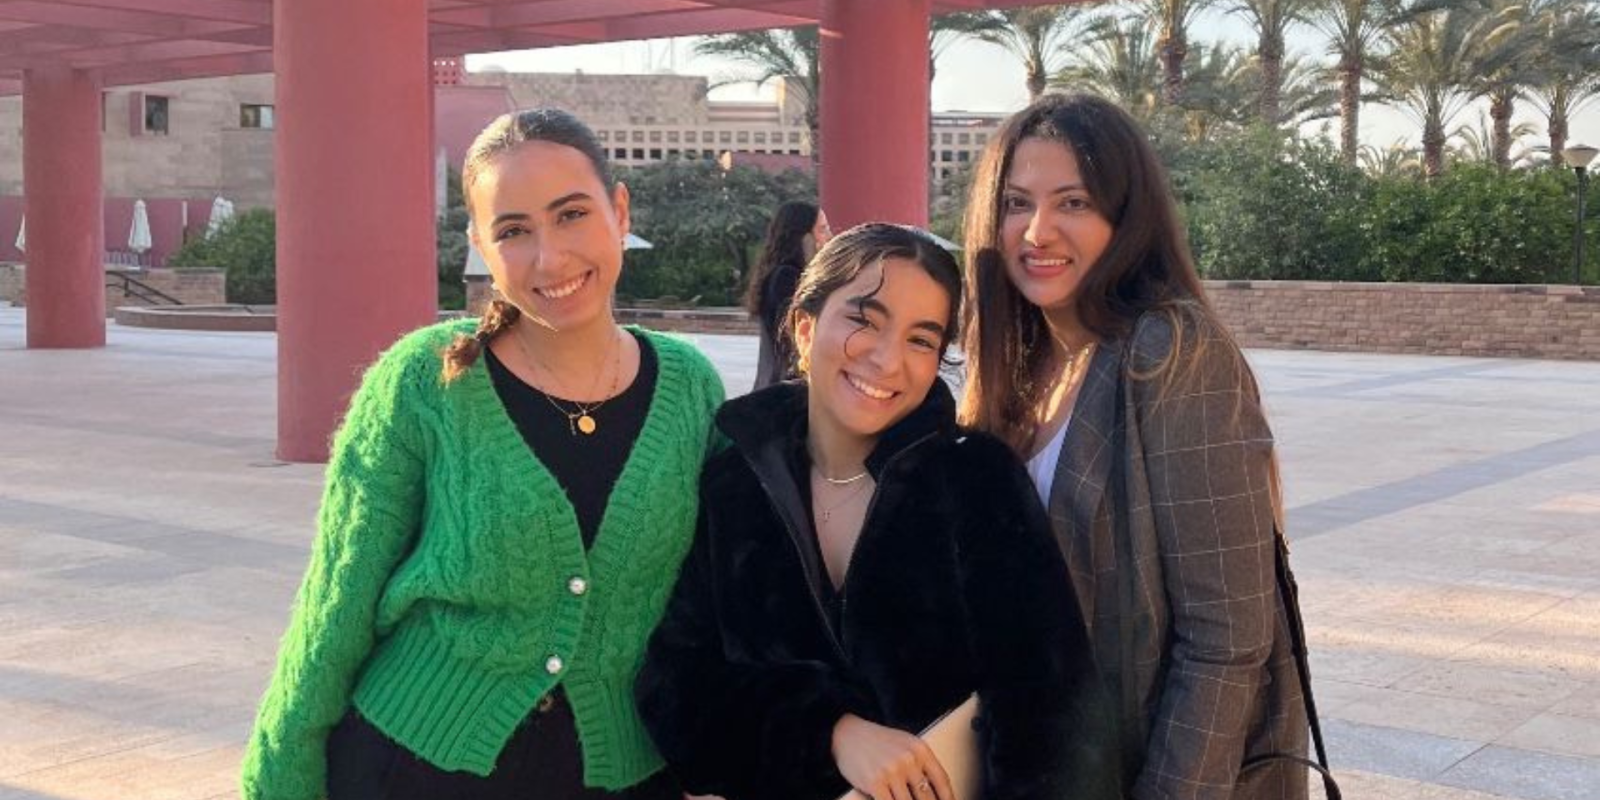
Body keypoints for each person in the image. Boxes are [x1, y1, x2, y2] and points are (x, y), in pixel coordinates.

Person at [239, 108, 726, 800]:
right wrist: (279, 777)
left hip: (623, 772)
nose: (549, 257)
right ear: (480, 245)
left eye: (571, 215)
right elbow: (334, 608)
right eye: (513, 231)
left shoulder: (690, 389)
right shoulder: (425, 381)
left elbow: (724, 594)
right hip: (411, 767)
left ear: (619, 211)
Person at [637, 223, 1120, 800]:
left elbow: (1055, 717)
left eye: (921, 340)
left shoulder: (974, 481)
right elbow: (675, 690)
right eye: (865, 319)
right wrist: (829, 731)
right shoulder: (735, 485)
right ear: (804, 325)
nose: (888, 360)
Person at [957, 93, 1310, 800]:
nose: (1038, 231)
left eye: (1074, 203)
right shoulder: (1016, 367)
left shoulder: (1171, 352)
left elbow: (1227, 638)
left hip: (1148, 769)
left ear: (1126, 217)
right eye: (1018, 203)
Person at [746, 200, 831, 389]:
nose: (829, 238)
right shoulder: (786, 278)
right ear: (804, 237)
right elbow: (793, 342)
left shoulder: (781, 273)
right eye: (823, 230)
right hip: (783, 391)